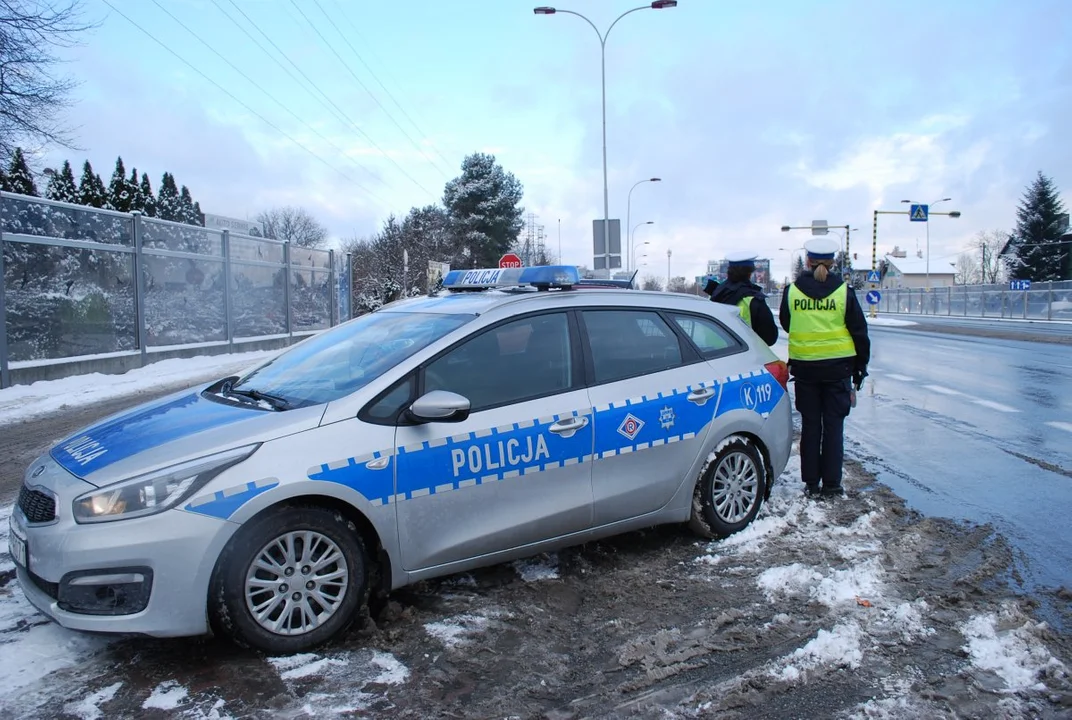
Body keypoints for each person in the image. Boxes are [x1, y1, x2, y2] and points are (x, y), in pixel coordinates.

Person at [779, 237, 870, 499]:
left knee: (810, 427)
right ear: (832, 262)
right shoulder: (844, 292)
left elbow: (787, 324)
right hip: (838, 371)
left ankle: (810, 483)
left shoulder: (791, 292)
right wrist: (860, 368)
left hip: (806, 371)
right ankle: (832, 484)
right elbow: (859, 333)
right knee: (833, 427)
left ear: (807, 262)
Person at [708, 252, 779, 345]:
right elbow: (770, 338)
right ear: (750, 274)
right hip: (742, 356)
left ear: (728, 271)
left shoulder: (715, 294)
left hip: (711, 354)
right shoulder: (753, 299)